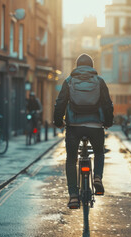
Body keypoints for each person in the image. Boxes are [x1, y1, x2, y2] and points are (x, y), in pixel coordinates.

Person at [53, 53, 114, 209]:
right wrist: (108, 122)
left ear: (77, 66)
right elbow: (107, 104)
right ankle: (98, 178)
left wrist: (58, 121)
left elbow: (60, 103)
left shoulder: (69, 81)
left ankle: (73, 196)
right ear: (91, 66)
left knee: (71, 160)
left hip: (74, 126)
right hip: (95, 126)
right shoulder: (99, 81)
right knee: (99, 152)